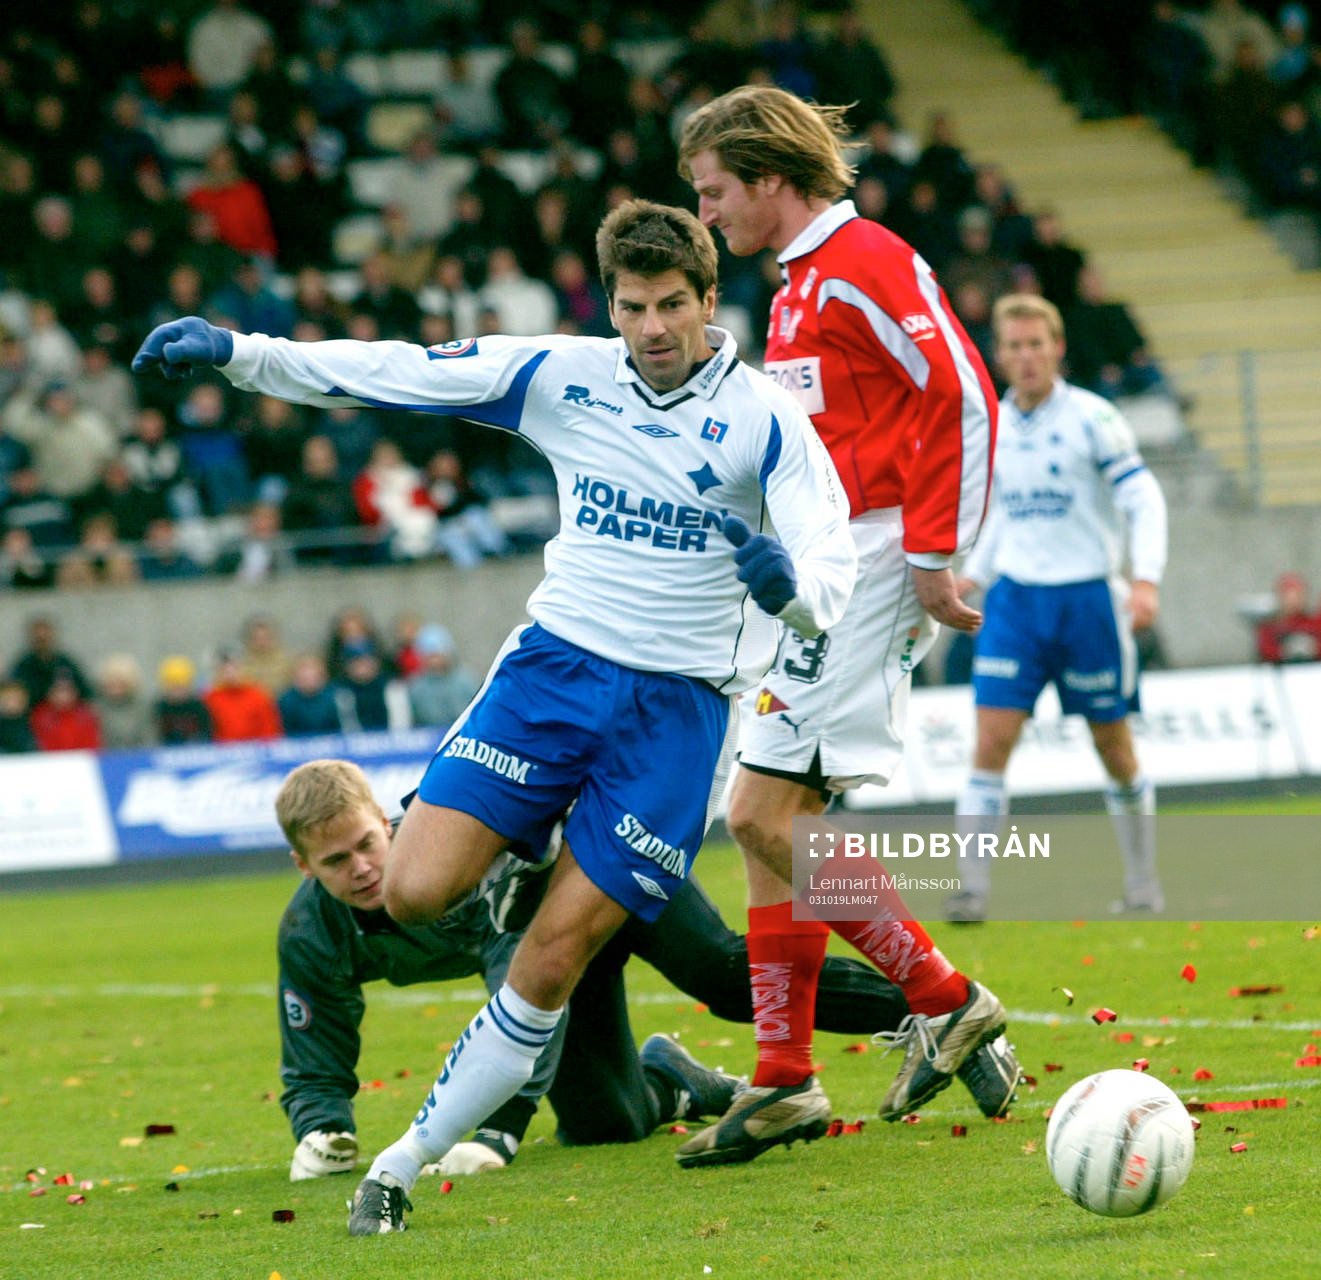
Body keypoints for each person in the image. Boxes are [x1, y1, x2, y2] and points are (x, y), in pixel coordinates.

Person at [133, 197, 858, 1236]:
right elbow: (400, 371)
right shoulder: (562, 373)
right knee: (416, 891)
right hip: (552, 670)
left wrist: (789, 590)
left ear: (709, 299)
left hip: (676, 713)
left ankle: (398, 1162)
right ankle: (527, 856)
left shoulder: (766, 421)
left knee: (554, 959)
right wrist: (244, 354)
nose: (651, 328)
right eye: (631, 306)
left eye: (670, 305)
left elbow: (827, 558)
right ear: (609, 305)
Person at [675, 85, 1013, 1167]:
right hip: (833, 566)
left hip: (871, 564)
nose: (708, 212)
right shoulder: (797, 285)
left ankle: (944, 995)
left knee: (764, 813)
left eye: (715, 190)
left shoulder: (863, 259)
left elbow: (961, 390)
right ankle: (783, 1077)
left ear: (771, 179)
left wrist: (928, 555)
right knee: (777, 817)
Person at [275, 759, 969, 1184]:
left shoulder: (444, 858)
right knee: (604, 1122)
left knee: (724, 977)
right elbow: (315, 1038)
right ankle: (673, 1079)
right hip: (557, 950)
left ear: (388, 823)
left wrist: (502, 1125)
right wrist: (321, 1129)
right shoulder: (312, 932)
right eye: (335, 862)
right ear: (304, 867)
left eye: (366, 844)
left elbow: (512, 975)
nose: (361, 868)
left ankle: (944, 1006)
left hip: (605, 870)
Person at [952, 294, 1169, 920]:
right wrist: (977, 576)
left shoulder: (1094, 420)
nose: (1025, 357)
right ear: (1000, 354)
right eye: (1014, 346)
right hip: (1016, 603)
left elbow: (1143, 500)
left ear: (1057, 348)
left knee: (1114, 748)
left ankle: (1142, 881)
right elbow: (996, 515)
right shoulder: (993, 424)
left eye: (1035, 344)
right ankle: (973, 889)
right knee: (990, 744)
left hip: (1088, 600)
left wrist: (1146, 580)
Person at [1256, 571, 1321, 663]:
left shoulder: (1315, 624)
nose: (1293, 601)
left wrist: (1313, 649)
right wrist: (1284, 652)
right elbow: (1265, 650)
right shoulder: (1270, 628)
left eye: (1297, 595)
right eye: (1288, 596)